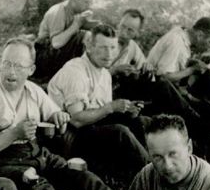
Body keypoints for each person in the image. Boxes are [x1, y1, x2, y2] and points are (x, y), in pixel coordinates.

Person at [0, 37, 119, 190]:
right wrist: (14, 133)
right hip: (0, 163)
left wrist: (59, 118)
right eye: (7, 64)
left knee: (81, 177)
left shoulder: (32, 90)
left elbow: (54, 114)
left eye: (19, 66)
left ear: (31, 70)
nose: (11, 72)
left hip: (36, 154)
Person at [47, 24, 149, 176]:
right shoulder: (75, 71)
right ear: (89, 47)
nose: (109, 54)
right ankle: (153, 176)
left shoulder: (105, 73)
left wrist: (127, 110)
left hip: (91, 128)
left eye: (113, 48)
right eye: (103, 47)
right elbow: (76, 120)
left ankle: (143, 172)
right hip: (69, 137)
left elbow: (103, 114)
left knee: (141, 121)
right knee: (120, 132)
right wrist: (111, 107)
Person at [146, 17, 210, 135]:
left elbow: (175, 63)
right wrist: (192, 69)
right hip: (159, 91)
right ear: (199, 35)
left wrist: (192, 63)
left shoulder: (183, 35)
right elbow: (163, 78)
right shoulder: (176, 42)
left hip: (177, 87)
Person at [34, 0, 97, 81]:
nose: (88, 6)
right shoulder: (58, 11)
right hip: (43, 56)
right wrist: (77, 25)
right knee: (83, 36)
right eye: (86, 2)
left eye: (90, 2)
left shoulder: (76, 11)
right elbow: (56, 43)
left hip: (57, 55)